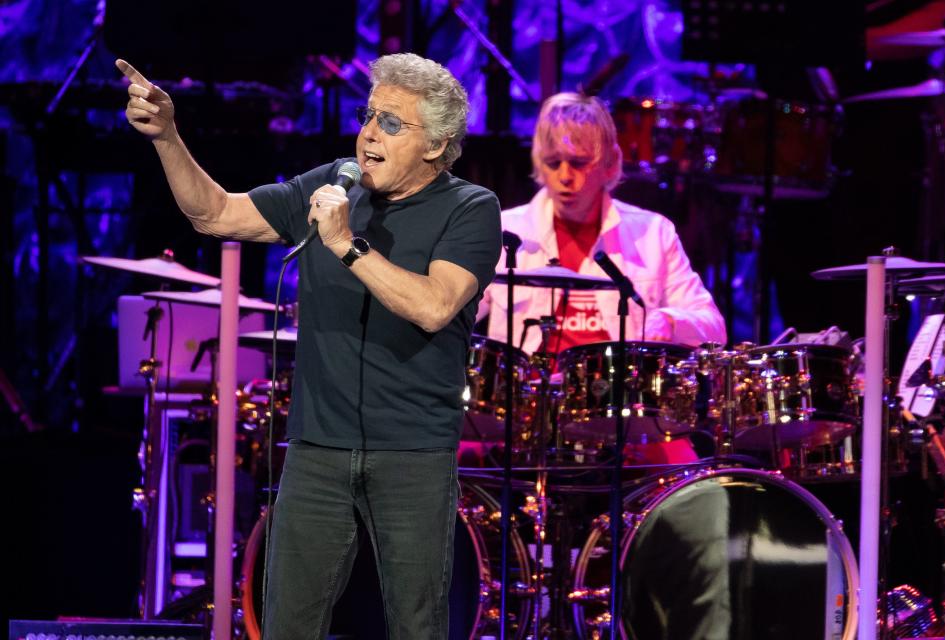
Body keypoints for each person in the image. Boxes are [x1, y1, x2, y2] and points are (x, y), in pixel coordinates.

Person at [117, 53, 502, 639]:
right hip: (317, 449)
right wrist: (167, 136)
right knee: (287, 624)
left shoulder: (471, 208)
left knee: (416, 626)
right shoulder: (333, 185)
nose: (369, 132)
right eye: (368, 115)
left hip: (413, 454)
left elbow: (434, 305)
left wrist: (347, 244)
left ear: (436, 144)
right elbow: (215, 214)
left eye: (391, 123)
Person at [482, 91, 726, 352]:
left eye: (579, 163)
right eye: (554, 163)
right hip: (526, 391)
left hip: (618, 391)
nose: (564, 176)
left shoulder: (654, 233)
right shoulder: (502, 231)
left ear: (609, 164)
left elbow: (715, 329)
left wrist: (671, 322)